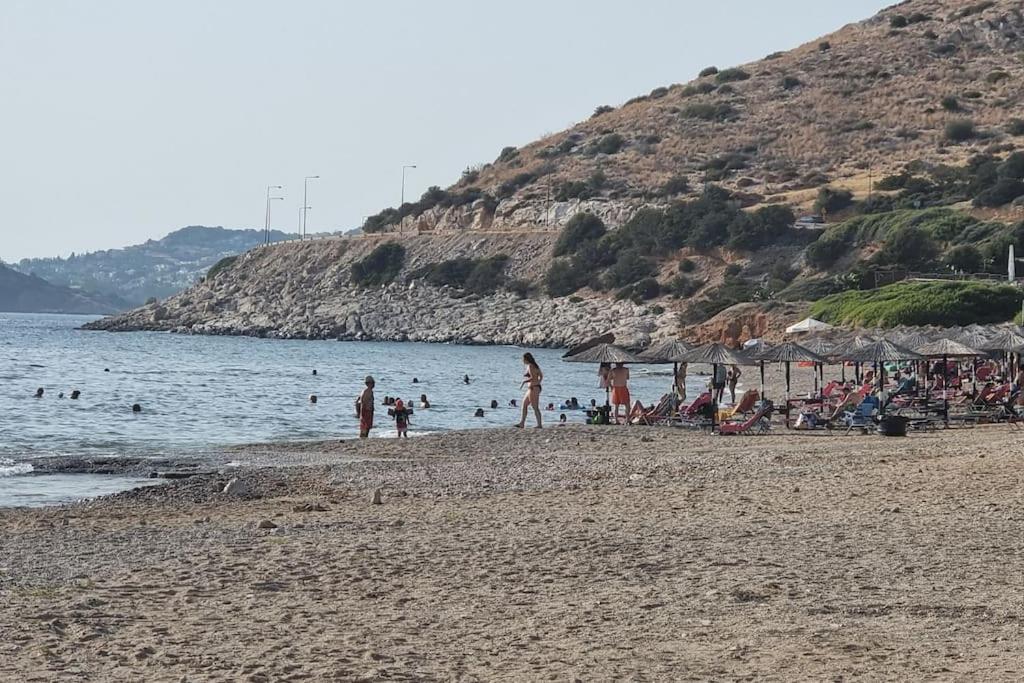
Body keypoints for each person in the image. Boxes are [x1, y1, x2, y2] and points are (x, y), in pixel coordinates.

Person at [516, 352, 543, 429]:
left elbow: (533, 377)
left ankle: (539, 424)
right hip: (533, 388)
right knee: (524, 404)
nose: (522, 360)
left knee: (535, 407)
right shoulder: (534, 366)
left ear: (526, 359)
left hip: (533, 388)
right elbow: (540, 375)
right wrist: (538, 381)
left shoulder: (531, 366)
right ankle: (522, 423)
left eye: (523, 359)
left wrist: (524, 382)